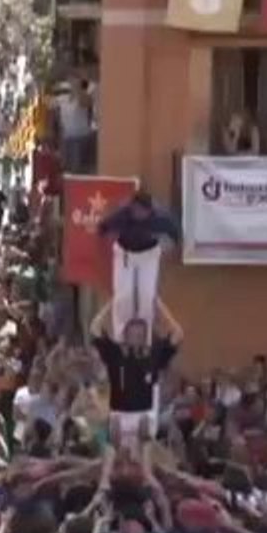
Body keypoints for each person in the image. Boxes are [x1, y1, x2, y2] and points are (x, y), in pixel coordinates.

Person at [89, 298, 182, 448]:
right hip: (119, 414)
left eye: (140, 334)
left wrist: (159, 307)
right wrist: (112, 303)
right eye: (133, 334)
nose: (136, 338)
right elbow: (94, 328)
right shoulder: (115, 353)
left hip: (144, 415)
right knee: (114, 429)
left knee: (144, 433)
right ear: (125, 335)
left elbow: (178, 333)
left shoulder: (154, 354)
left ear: (146, 336)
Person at [97, 191, 180, 343]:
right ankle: (120, 338)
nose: (140, 214)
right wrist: (111, 240)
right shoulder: (122, 215)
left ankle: (145, 340)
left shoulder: (160, 218)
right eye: (137, 210)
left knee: (147, 296)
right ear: (132, 207)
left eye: (143, 211)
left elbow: (175, 234)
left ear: (149, 210)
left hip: (149, 256)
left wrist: (166, 247)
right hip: (125, 255)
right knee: (124, 296)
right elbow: (102, 228)